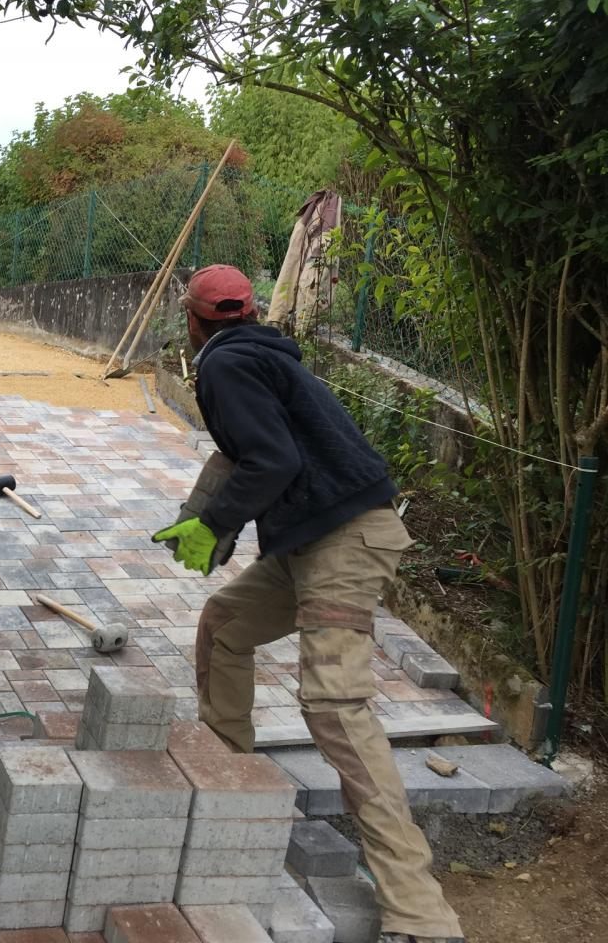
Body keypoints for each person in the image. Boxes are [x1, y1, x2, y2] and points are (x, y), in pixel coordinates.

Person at [152, 264, 465, 943]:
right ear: (249, 311)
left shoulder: (223, 366)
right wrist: (204, 516)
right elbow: (248, 456)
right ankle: (230, 789)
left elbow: (271, 461)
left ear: (193, 318)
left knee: (334, 706)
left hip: (343, 541)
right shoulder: (262, 356)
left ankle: (421, 913)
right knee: (225, 624)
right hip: (314, 535)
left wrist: (215, 524)